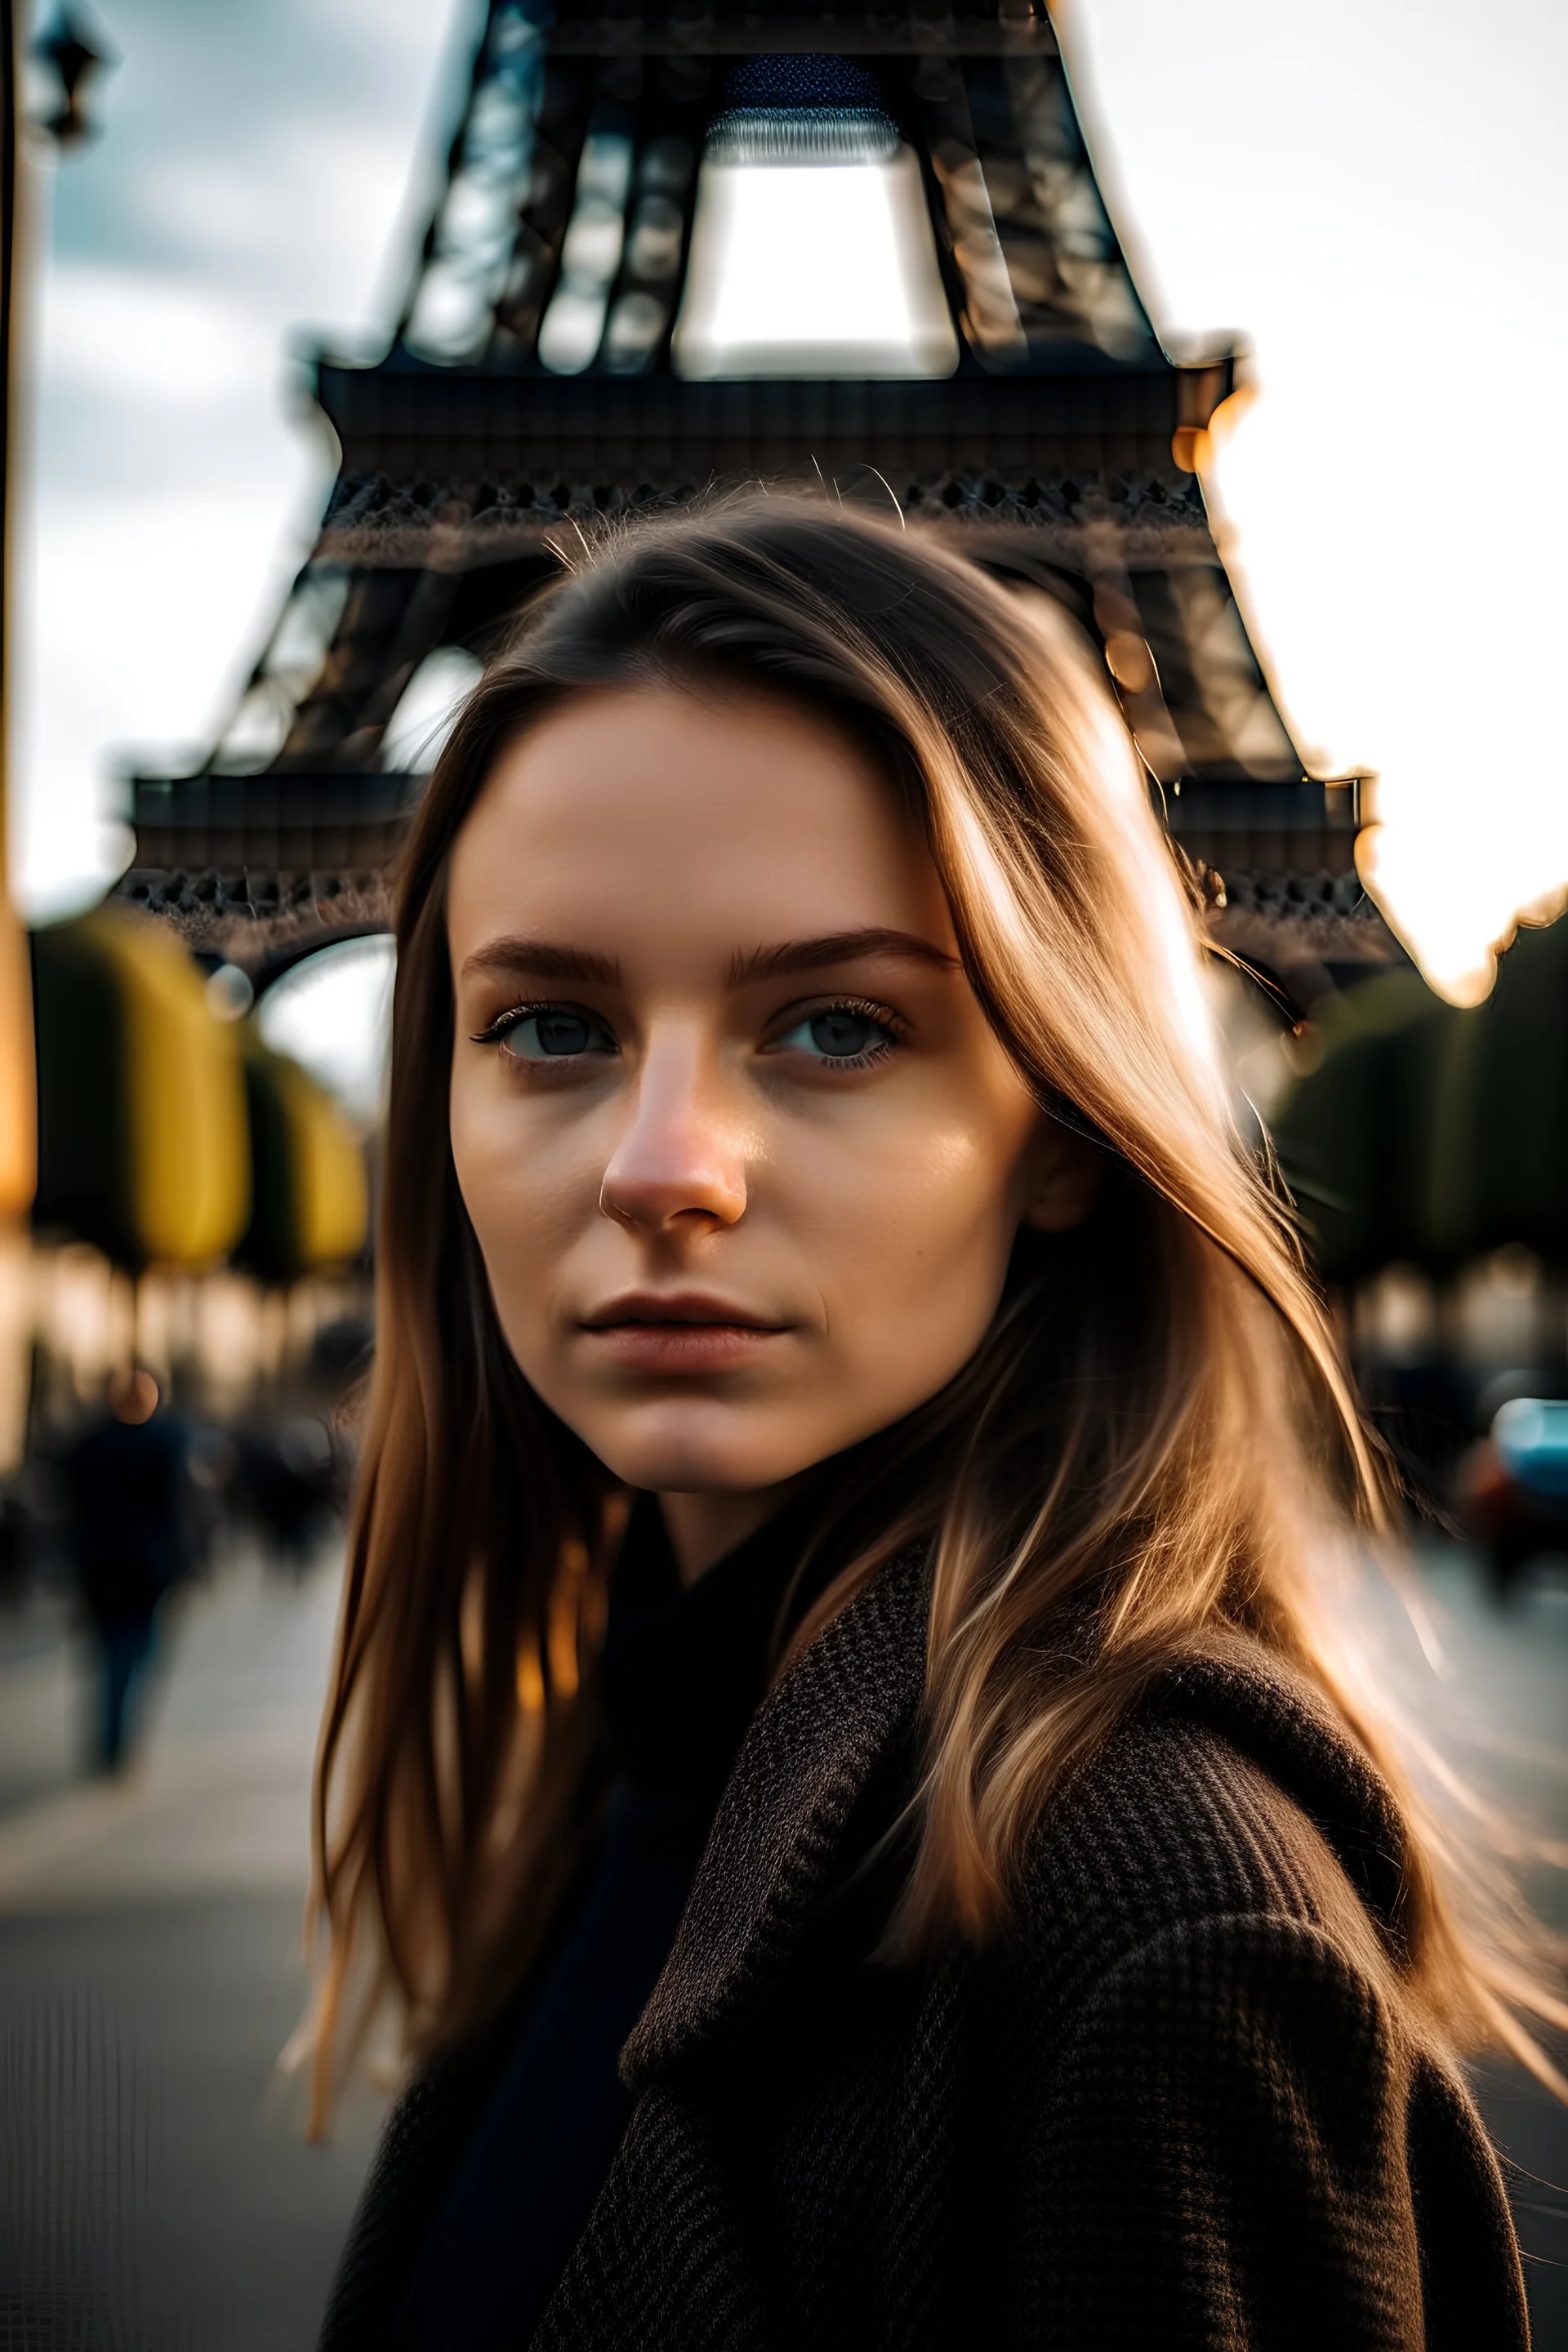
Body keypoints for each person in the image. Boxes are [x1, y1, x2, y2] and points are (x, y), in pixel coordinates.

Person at [312, 502, 1552, 2350]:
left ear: (1063, 1125)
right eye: (551, 1026)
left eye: (832, 1025)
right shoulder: (640, 1765)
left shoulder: (1157, 1917)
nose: (666, 1170)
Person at [64, 1364, 189, 1771]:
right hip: (145, 1568)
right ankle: (117, 1734)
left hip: (100, 1567)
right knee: (137, 1648)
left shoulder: (90, 1446)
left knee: (112, 1650)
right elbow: (176, 1512)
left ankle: (112, 1731)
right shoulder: (163, 1445)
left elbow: (74, 1511)